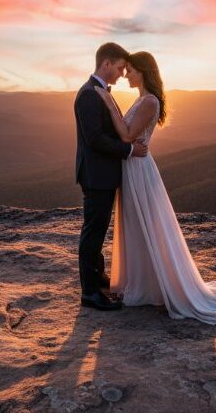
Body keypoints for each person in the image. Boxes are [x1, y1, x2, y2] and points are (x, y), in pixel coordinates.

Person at [94, 51, 216, 324]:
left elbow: (128, 136)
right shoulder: (142, 99)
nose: (127, 75)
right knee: (137, 223)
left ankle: (153, 285)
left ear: (143, 72)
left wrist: (109, 104)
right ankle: (144, 282)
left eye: (131, 70)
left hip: (138, 169)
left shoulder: (149, 101)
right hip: (133, 166)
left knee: (144, 222)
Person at [73, 42, 148, 311]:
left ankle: (98, 276)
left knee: (100, 228)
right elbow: (94, 139)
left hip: (103, 174)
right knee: (93, 232)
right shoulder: (88, 95)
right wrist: (129, 150)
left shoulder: (100, 92)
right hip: (96, 175)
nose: (121, 73)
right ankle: (89, 293)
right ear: (106, 64)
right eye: (119, 68)